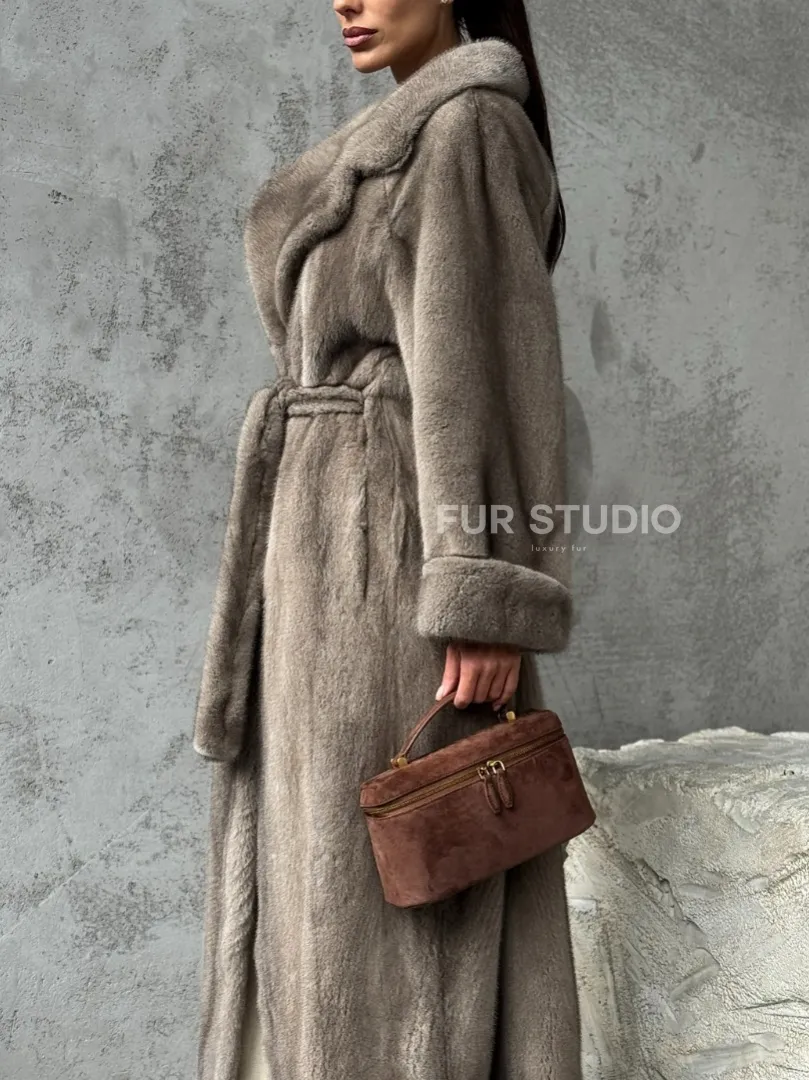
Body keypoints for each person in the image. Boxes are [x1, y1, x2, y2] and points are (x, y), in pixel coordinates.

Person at [191, 1, 580, 1077]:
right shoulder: (398, 143)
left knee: (391, 910)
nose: (345, 1)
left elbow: (488, 376)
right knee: (317, 894)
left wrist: (482, 595)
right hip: (314, 564)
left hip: (387, 564)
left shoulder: (466, 126)